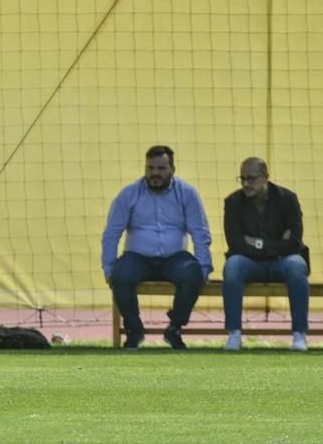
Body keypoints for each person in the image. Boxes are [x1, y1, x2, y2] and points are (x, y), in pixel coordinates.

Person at [101, 145, 213, 350]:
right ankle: (134, 330)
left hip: (174, 257)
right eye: (150, 168)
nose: (155, 173)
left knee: (193, 273)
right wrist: (108, 267)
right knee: (120, 275)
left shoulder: (187, 194)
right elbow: (111, 233)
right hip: (137, 257)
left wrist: (204, 266)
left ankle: (175, 328)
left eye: (161, 169)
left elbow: (200, 232)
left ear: (173, 169)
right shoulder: (129, 194)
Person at [222, 157, 309, 351]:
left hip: (283, 261)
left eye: (251, 178)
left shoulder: (288, 199)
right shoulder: (233, 202)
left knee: (297, 265)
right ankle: (234, 334)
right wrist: (276, 245)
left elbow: (294, 241)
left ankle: (299, 335)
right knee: (233, 266)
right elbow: (235, 243)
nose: (246, 183)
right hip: (250, 262)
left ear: (266, 178)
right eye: (242, 178)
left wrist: (256, 243)